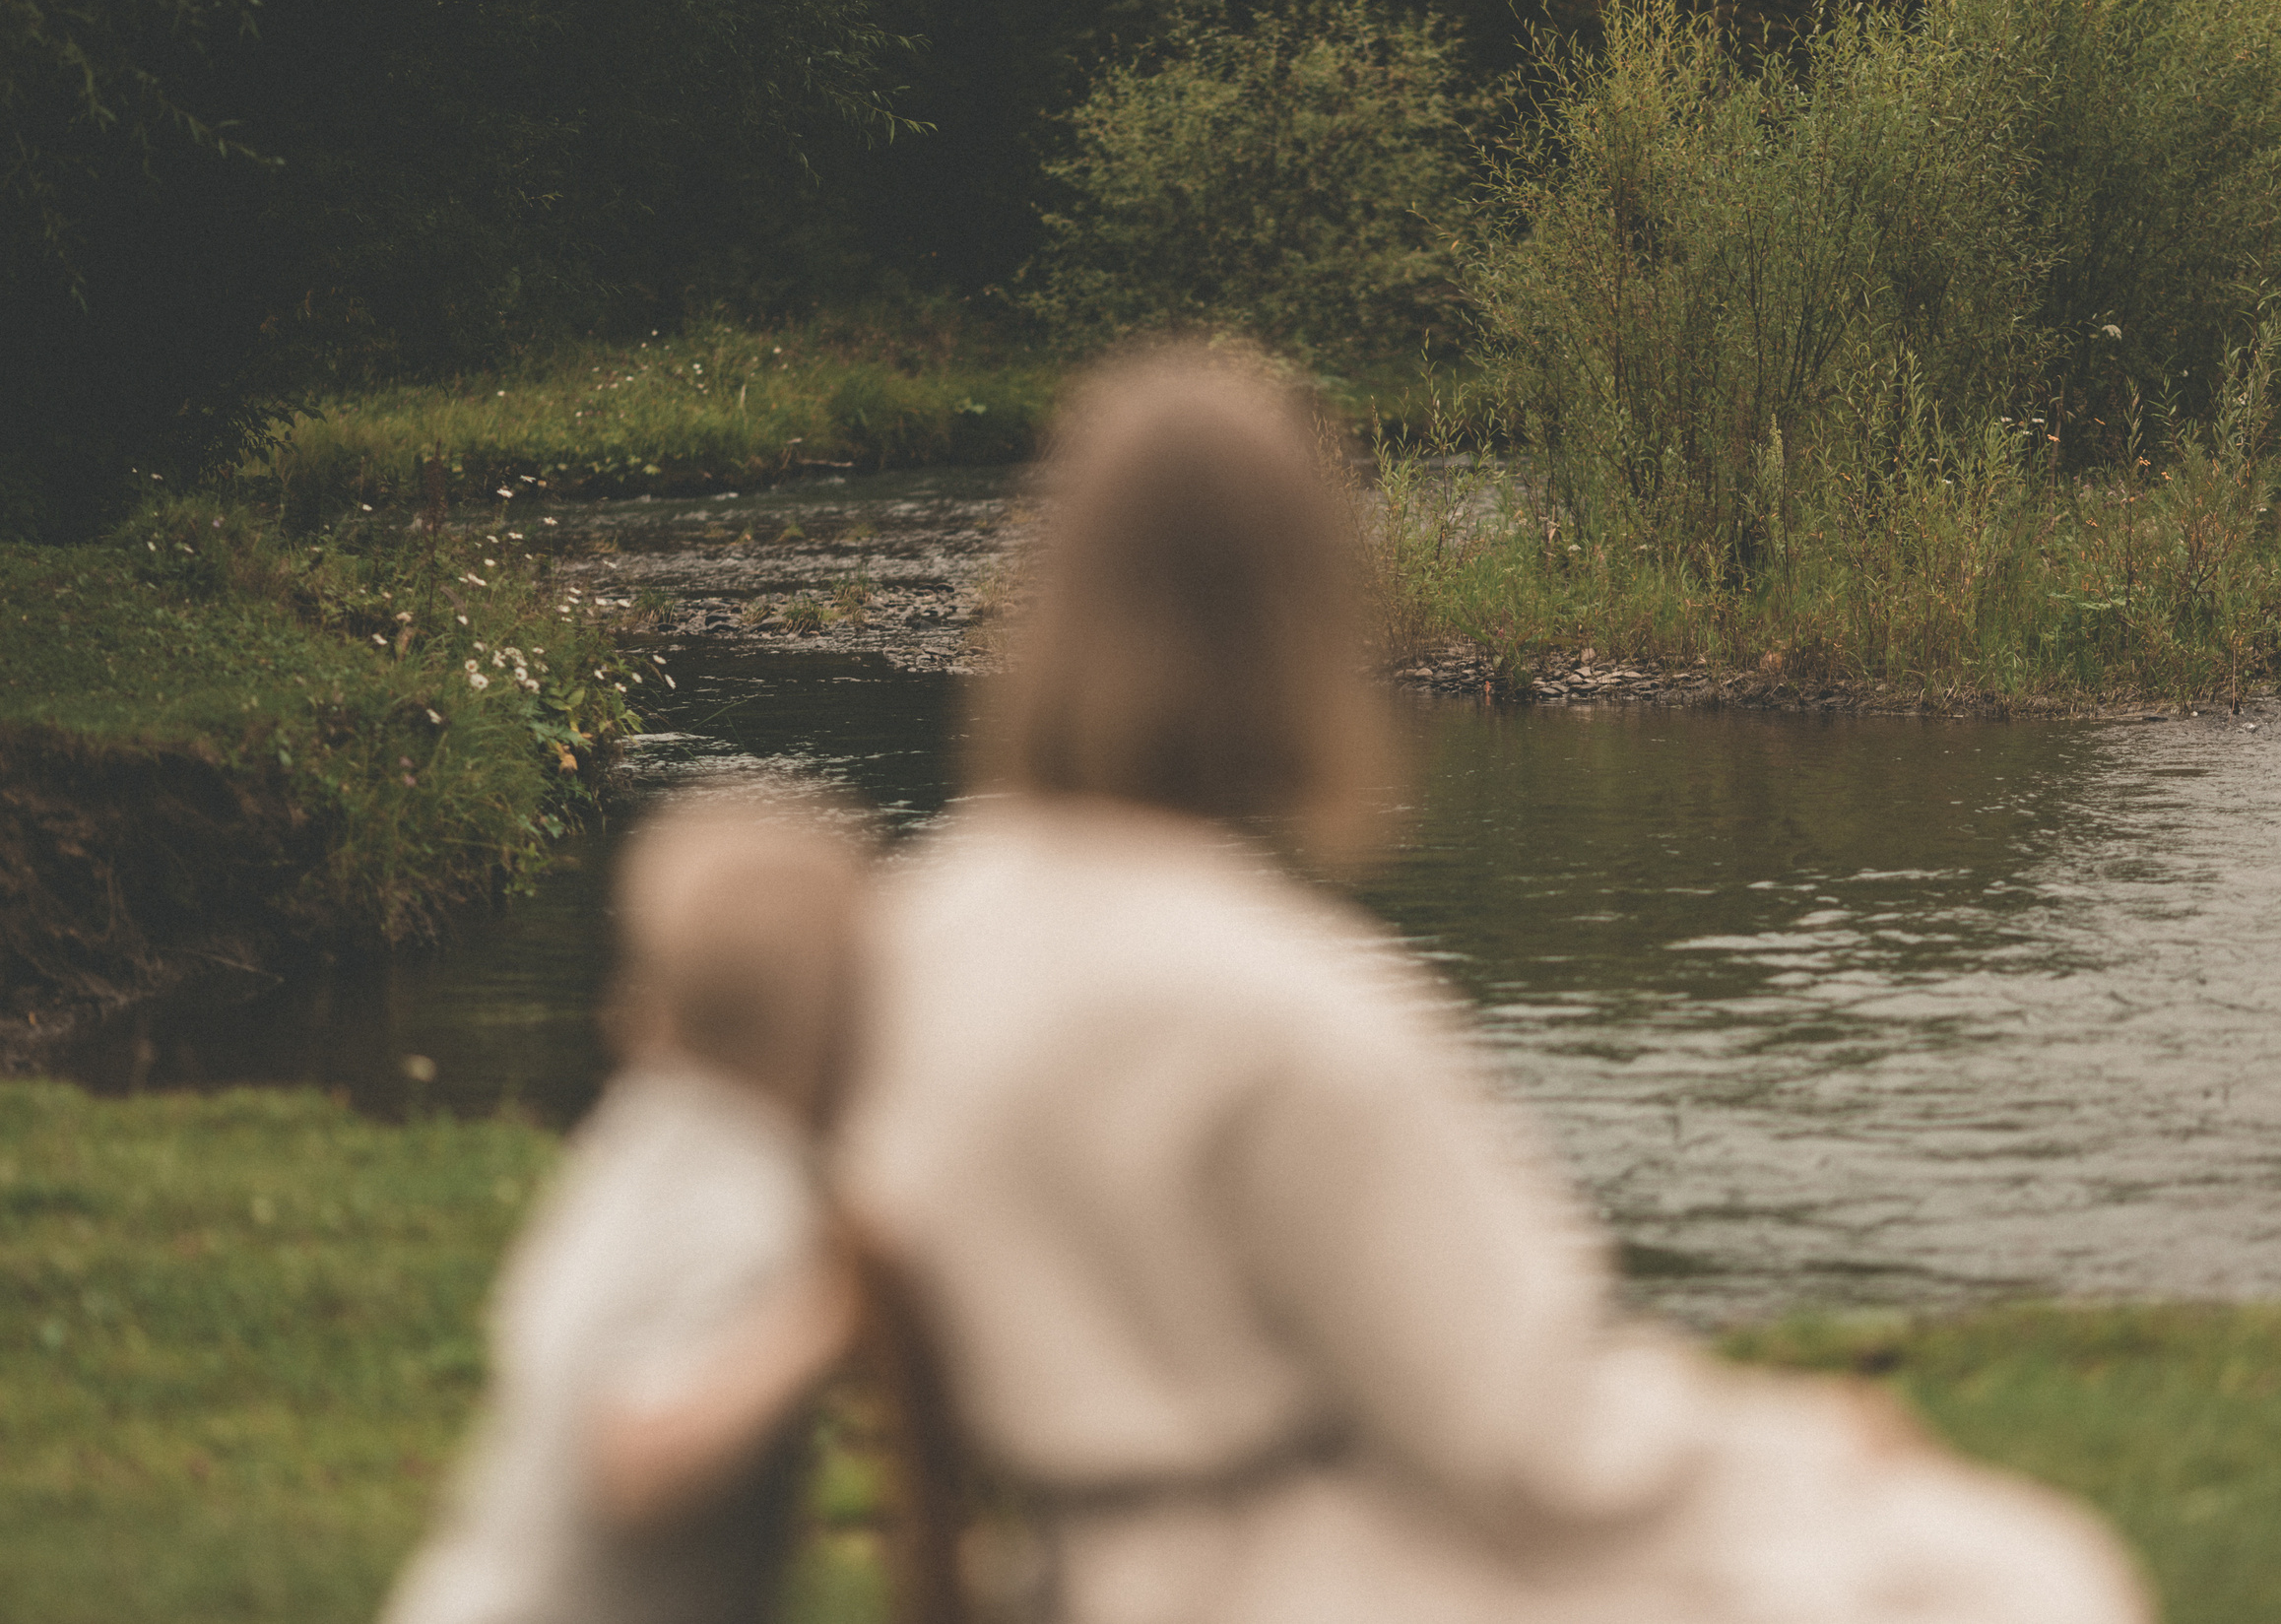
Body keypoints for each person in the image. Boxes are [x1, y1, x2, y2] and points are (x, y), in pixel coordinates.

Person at [839, 343, 2154, 1624]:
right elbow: (1541, 1441)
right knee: (2024, 1572)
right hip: (1304, 1578)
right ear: (1296, 624)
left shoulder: (915, 930)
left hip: (1078, 1570)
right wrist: (1813, 1438)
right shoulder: (1280, 1005)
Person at [379, 790, 867, 1624]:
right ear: (842, 1034)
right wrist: (830, 1313)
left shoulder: (641, 1144)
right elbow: (636, 1463)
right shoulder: (742, 1211)